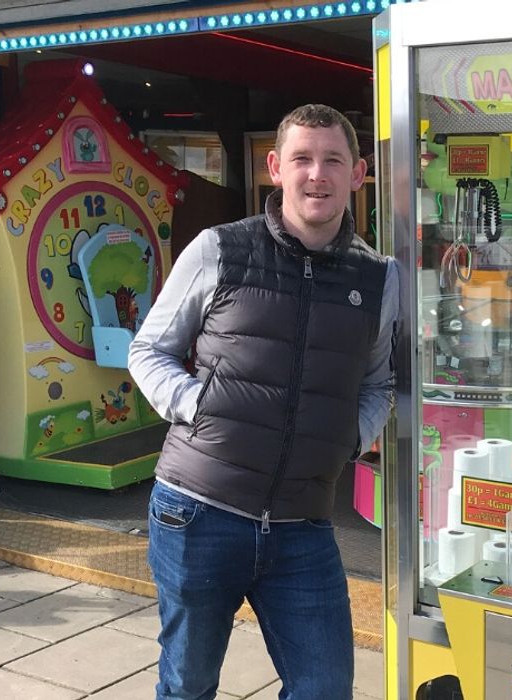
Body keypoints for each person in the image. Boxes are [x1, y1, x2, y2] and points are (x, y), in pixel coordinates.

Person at [128, 104, 398, 700]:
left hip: (304, 527)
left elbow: (379, 382)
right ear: (276, 167)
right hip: (198, 512)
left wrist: (350, 437)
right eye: (302, 158)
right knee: (188, 685)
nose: (317, 174)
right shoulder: (219, 249)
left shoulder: (381, 279)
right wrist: (197, 405)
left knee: (325, 689)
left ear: (358, 174)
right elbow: (149, 350)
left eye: (333, 160)